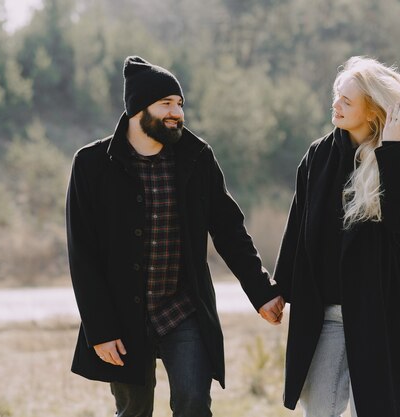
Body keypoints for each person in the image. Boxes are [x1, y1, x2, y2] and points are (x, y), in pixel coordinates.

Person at [66, 55, 285, 417]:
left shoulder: (196, 158)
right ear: (139, 109)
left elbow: (229, 229)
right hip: (123, 315)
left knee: (193, 403)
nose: (177, 112)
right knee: (134, 412)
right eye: (166, 103)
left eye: (180, 104)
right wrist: (100, 328)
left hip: (183, 309)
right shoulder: (91, 165)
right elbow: (82, 253)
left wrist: (261, 292)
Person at [273, 56, 400, 417]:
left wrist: (391, 150)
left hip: (382, 312)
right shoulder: (318, 155)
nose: (336, 104)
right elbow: (297, 226)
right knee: (319, 410)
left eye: (347, 101)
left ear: (372, 110)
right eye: (337, 95)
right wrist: (279, 290)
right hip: (327, 314)